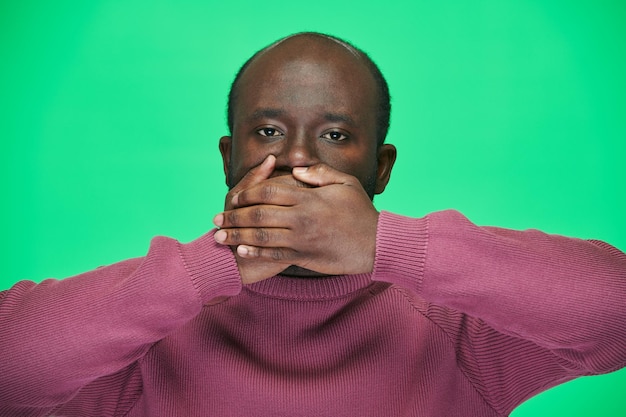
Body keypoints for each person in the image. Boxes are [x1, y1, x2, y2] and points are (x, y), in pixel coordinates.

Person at [0, 32, 625, 417]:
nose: (297, 159)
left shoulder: (459, 333)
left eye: (335, 135)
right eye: (268, 131)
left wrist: (388, 246)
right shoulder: (143, 327)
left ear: (380, 170)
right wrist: (214, 264)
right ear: (228, 158)